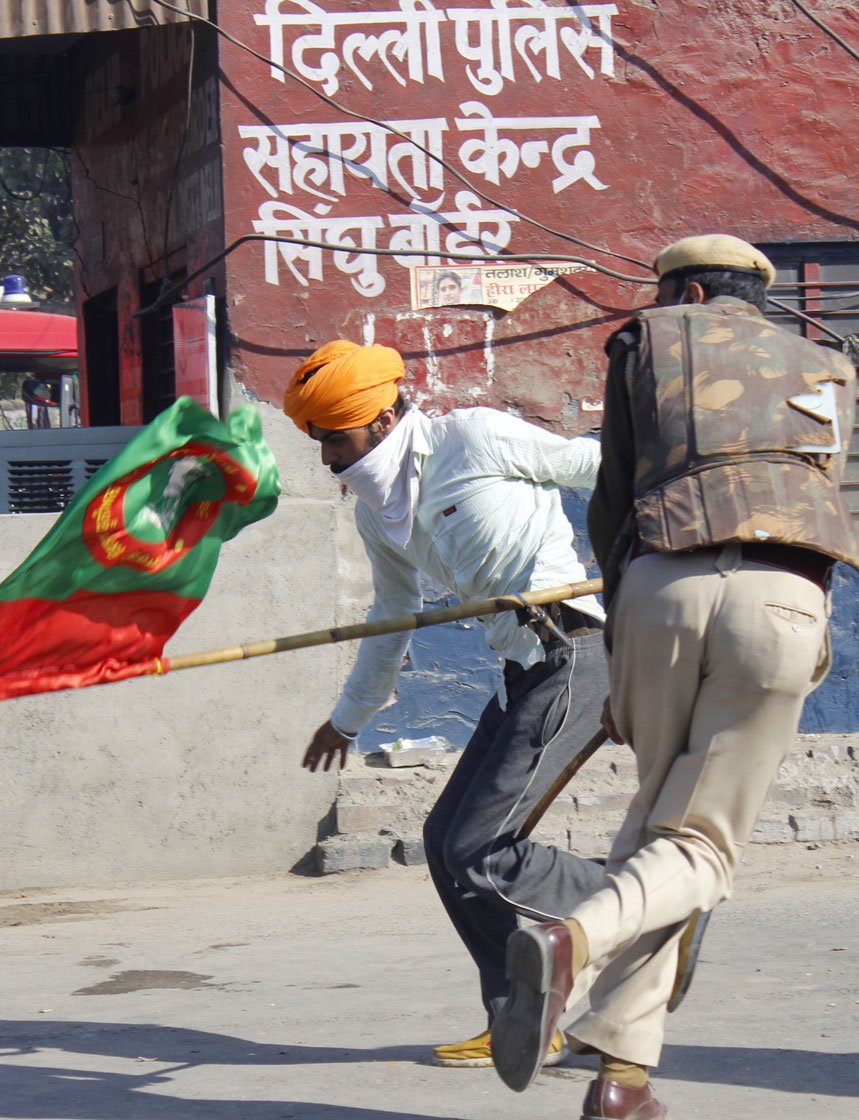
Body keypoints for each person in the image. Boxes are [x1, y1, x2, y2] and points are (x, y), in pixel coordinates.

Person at [489, 234, 858, 1118]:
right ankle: (574, 937)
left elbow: (611, 497)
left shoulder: (647, 341)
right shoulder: (824, 363)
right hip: (782, 594)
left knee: (660, 833)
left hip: (658, 585)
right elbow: (826, 496)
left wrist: (622, 647)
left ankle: (623, 1079)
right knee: (697, 847)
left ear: (686, 290)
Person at [283, 339, 609, 1068]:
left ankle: (648, 898)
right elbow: (390, 619)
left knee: (480, 849)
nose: (328, 456)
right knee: (442, 844)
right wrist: (347, 718)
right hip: (519, 669)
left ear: (387, 413)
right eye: (319, 440)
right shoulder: (378, 516)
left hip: (576, 651)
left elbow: (596, 468)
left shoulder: (475, 437)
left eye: (336, 436)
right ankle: (518, 1018)